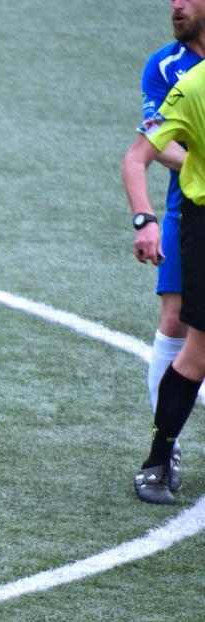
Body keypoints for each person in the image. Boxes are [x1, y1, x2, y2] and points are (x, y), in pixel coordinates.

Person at [122, 0, 205, 505]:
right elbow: (150, 146)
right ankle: (162, 453)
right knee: (179, 326)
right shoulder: (174, 72)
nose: (176, 4)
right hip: (188, 206)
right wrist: (144, 218)